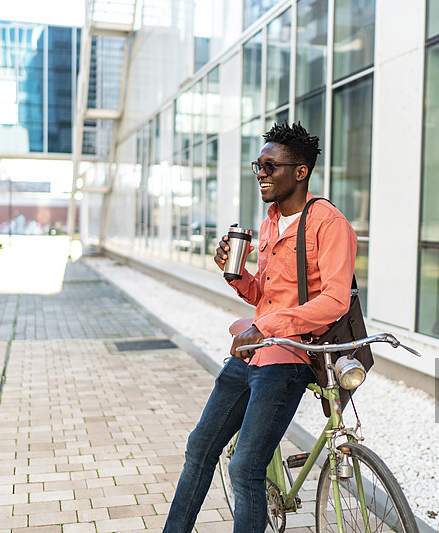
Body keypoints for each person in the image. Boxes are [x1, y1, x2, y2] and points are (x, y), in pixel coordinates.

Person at [162, 121, 358, 532]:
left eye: (270, 166)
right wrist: (235, 274)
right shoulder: (270, 221)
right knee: (199, 447)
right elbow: (265, 296)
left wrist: (268, 326)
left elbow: (335, 301)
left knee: (245, 467)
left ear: (300, 172)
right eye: (258, 166)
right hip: (252, 352)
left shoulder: (329, 223)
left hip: (291, 358)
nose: (261, 174)